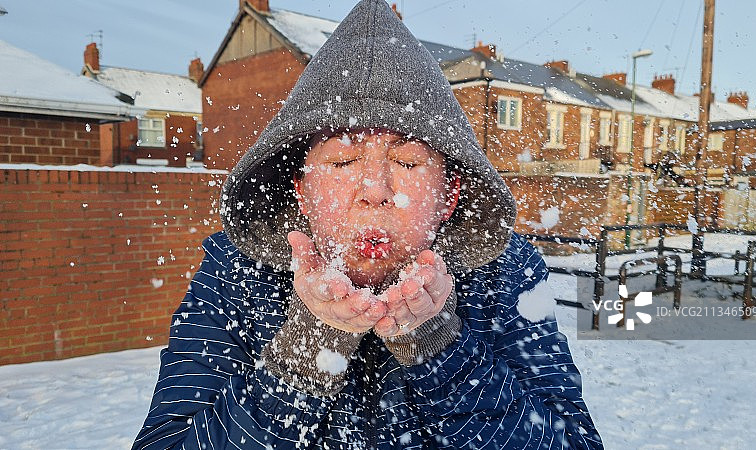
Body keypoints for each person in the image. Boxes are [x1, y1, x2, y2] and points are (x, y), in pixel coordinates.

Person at [133, 0, 603, 448]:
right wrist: (310, 350)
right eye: (341, 162)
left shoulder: (504, 273)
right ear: (302, 190)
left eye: (408, 161)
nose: (375, 188)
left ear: (450, 195)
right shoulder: (235, 274)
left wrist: (439, 348)